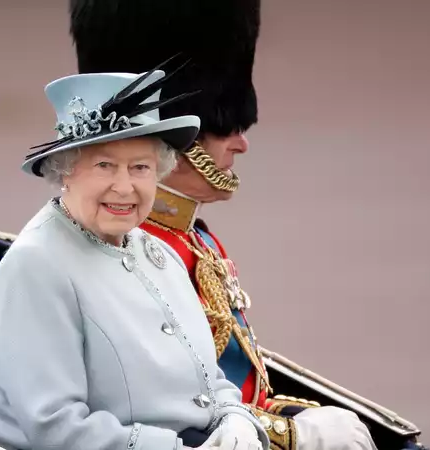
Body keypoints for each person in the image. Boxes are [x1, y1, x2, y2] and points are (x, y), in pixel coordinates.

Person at [67, 1, 381, 450]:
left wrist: (286, 415)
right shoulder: (121, 254)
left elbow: (234, 383)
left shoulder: (190, 236)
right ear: (174, 134)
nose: (242, 142)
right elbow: (155, 408)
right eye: (224, 125)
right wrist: (289, 435)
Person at [0, 64, 271, 450]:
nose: (124, 186)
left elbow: (207, 378)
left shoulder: (159, 253)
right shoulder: (36, 265)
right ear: (66, 171)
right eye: (105, 166)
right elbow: (56, 428)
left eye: (140, 168)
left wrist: (236, 421)